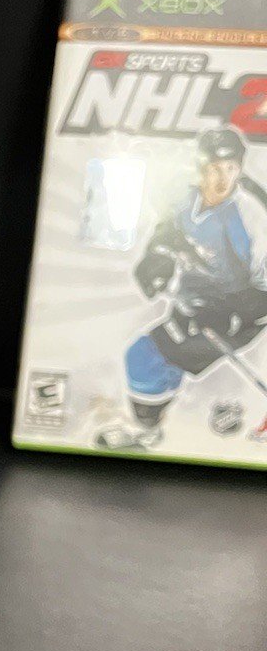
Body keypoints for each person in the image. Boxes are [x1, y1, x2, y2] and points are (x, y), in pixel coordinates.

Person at [96, 126, 267, 450]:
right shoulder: (184, 197)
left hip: (234, 317)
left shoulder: (252, 214)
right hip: (195, 303)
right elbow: (167, 235)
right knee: (162, 361)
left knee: (145, 356)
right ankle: (153, 430)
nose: (223, 178)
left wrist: (240, 314)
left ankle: (147, 433)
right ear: (200, 167)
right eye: (214, 168)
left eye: (231, 168)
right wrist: (155, 262)